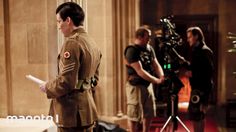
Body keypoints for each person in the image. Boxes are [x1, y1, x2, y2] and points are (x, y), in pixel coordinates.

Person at [39, 2, 102, 132]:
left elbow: (67, 82)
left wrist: (48, 87)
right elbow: (94, 80)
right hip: (86, 110)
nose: (58, 27)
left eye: (59, 21)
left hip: (71, 113)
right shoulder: (91, 42)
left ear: (68, 20)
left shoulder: (72, 43)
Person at [124, 27, 164, 132]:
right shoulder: (131, 50)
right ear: (140, 37)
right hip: (136, 86)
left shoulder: (149, 48)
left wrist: (162, 75)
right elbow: (140, 71)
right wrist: (156, 80)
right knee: (134, 116)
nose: (150, 39)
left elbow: (155, 64)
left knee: (149, 113)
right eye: (148, 37)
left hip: (148, 85)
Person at [186, 27, 214, 132]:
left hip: (202, 89)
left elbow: (209, 73)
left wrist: (192, 74)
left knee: (197, 115)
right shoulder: (196, 50)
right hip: (198, 88)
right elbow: (199, 67)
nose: (188, 40)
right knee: (198, 115)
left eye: (189, 37)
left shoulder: (205, 51)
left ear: (196, 36)